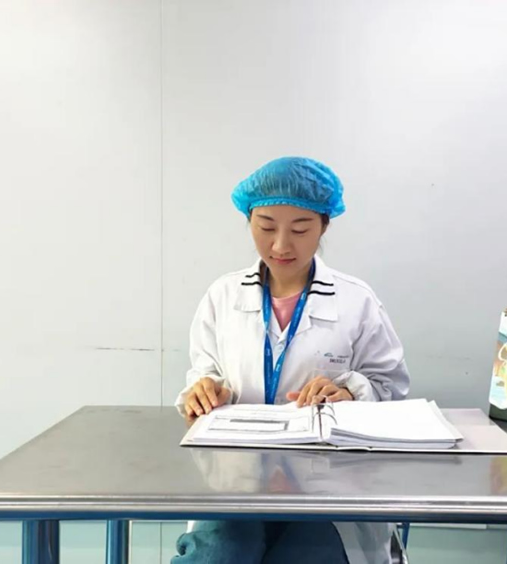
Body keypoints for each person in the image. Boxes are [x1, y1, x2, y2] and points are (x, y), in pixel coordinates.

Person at [173, 156, 410, 564]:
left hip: (328, 488)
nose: (281, 245)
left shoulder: (357, 301)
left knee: (303, 556)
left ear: (324, 225)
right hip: (236, 482)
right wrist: (206, 390)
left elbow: (390, 387)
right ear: (249, 220)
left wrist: (351, 392)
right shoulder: (223, 296)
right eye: (266, 227)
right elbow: (205, 371)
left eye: (300, 229)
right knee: (220, 554)